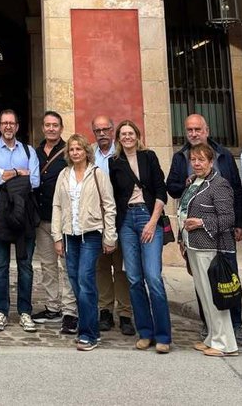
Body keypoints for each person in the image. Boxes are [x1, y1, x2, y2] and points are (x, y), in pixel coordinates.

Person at [166, 113, 242, 345]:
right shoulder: (181, 158)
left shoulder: (223, 160)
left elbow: (236, 194)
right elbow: (173, 190)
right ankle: (211, 328)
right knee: (203, 284)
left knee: (226, 279)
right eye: (189, 130)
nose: (193, 133)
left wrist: (238, 223)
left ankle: (235, 327)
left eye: (197, 129)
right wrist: (186, 183)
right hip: (194, 238)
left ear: (207, 130)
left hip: (218, 237)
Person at [109, 120, 172, 353]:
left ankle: (163, 335)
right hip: (126, 222)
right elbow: (114, 197)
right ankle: (145, 332)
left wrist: (153, 222)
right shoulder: (114, 162)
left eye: (130, 133)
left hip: (149, 216)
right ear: (119, 138)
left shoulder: (149, 157)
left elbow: (160, 190)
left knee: (153, 277)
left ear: (137, 135)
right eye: (123, 134)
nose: (127, 137)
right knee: (134, 278)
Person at [51, 134, 117, 351]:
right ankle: (92, 326)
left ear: (86, 151)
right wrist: (57, 237)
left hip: (91, 234)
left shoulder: (98, 174)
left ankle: (87, 333)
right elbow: (57, 207)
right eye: (71, 150)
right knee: (75, 280)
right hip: (70, 235)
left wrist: (110, 237)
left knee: (85, 279)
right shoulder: (64, 174)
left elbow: (109, 206)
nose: (75, 152)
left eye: (79, 149)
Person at [178, 143, 239, 357]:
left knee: (215, 296)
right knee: (204, 295)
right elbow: (183, 210)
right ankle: (212, 336)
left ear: (211, 162)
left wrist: (201, 223)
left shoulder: (219, 184)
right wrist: (182, 239)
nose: (196, 164)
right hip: (194, 245)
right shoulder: (193, 183)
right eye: (193, 160)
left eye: (201, 160)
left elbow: (227, 218)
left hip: (211, 247)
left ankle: (226, 343)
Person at [0, 109, 40, 333]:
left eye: (12, 123)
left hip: (24, 216)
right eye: (4, 123)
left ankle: (25, 312)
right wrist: (19, 172)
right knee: (0, 266)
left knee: (25, 266)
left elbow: (34, 181)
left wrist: (5, 174)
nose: (8, 127)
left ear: (17, 127)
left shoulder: (28, 150)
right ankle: (1, 311)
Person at [32, 111, 79, 335]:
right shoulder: (35, 152)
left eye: (55, 125)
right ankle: (52, 307)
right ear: (43, 128)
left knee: (67, 266)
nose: (51, 129)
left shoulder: (69, 152)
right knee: (48, 265)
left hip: (65, 219)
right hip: (42, 218)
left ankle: (70, 311)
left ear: (61, 128)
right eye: (47, 125)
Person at [91, 115, 134, 336]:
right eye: (97, 130)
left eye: (106, 129)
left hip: (121, 217)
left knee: (121, 268)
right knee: (101, 267)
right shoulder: (89, 154)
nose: (102, 134)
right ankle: (105, 311)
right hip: (95, 220)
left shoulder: (123, 152)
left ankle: (125, 313)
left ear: (113, 129)